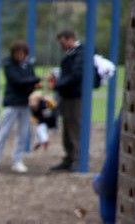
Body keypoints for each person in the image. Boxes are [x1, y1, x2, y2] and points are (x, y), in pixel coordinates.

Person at [0, 41, 40, 173]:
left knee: (23, 133)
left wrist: (35, 85)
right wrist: (35, 80)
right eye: (17, 53)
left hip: (25, 104)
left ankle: (17, 160)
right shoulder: (8, 65)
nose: (20, 56)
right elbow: (17, 81)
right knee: (3, 132)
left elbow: (30, 82)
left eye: (23, 53)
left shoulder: (28, 66)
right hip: (12, 103)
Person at [50, 30, 85, 171]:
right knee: (67, 127)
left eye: (62, 42)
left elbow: (76, 75)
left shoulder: (81, 53)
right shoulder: (73, 54)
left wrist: (58, 84)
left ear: (70, 39)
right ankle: (69, 158)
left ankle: (77, 160)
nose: (61, 46)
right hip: (67, 95)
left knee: (74, 127)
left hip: (74, 96)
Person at [28, 86, 57, 151]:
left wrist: (48, 100)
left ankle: (44, 140)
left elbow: (54, 106)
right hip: (45, 120)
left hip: (46, 120)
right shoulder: (38, 105)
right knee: (39, 130)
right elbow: (54, 106)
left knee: (40, 130)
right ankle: (40, 141)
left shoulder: (43, 103)